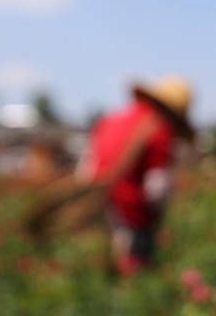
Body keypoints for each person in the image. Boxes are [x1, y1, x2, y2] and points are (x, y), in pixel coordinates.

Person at [79, 75, 195, 271]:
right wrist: (156, 216)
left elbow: (87, 169)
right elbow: (156, 188)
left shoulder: (110, 120)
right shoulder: (159, 130)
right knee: (135, 269)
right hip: (130, 211)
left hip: (98, 206)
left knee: (102, 266)